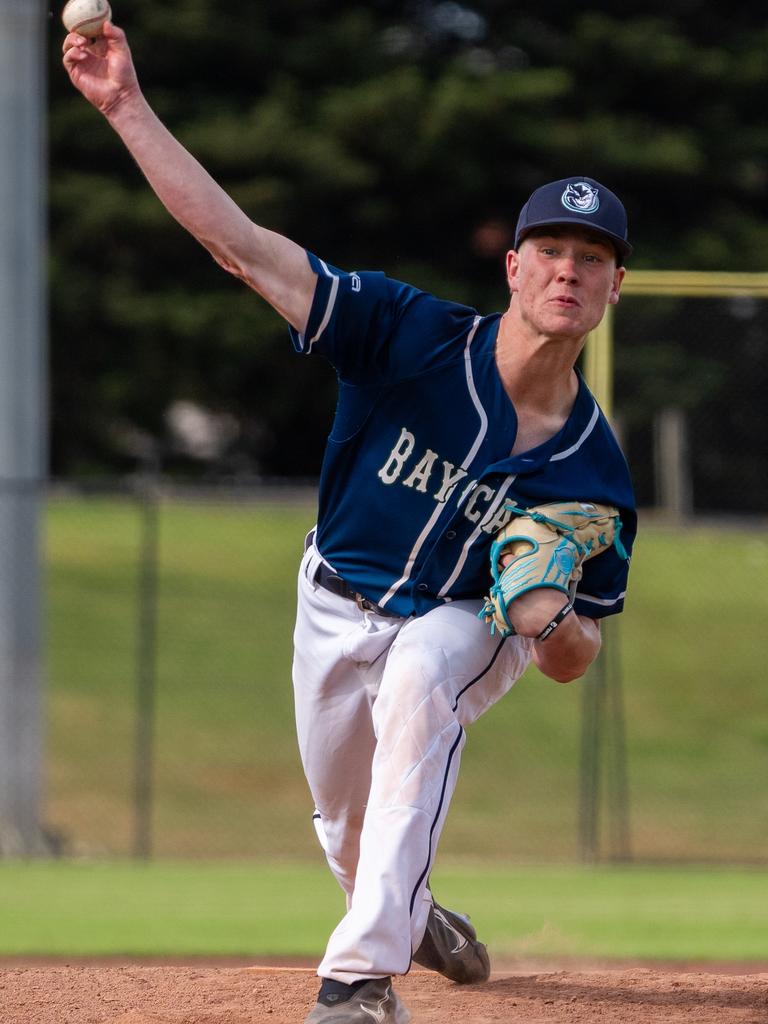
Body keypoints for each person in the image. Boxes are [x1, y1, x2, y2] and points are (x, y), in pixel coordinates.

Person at [63, 21, 637, 1024]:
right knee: (346, 825)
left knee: (425, 671)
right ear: (513, 266)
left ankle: (359, 979)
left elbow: (579, 655)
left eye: (592, 258)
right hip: (333, 596)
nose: (569, 271)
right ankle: (408, 916)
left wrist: (550, 621)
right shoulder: (404, 333)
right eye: (551, 249)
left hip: (468, 622)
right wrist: (126, 108)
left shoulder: (590, 466)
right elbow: (241, 249)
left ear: (614, 286)